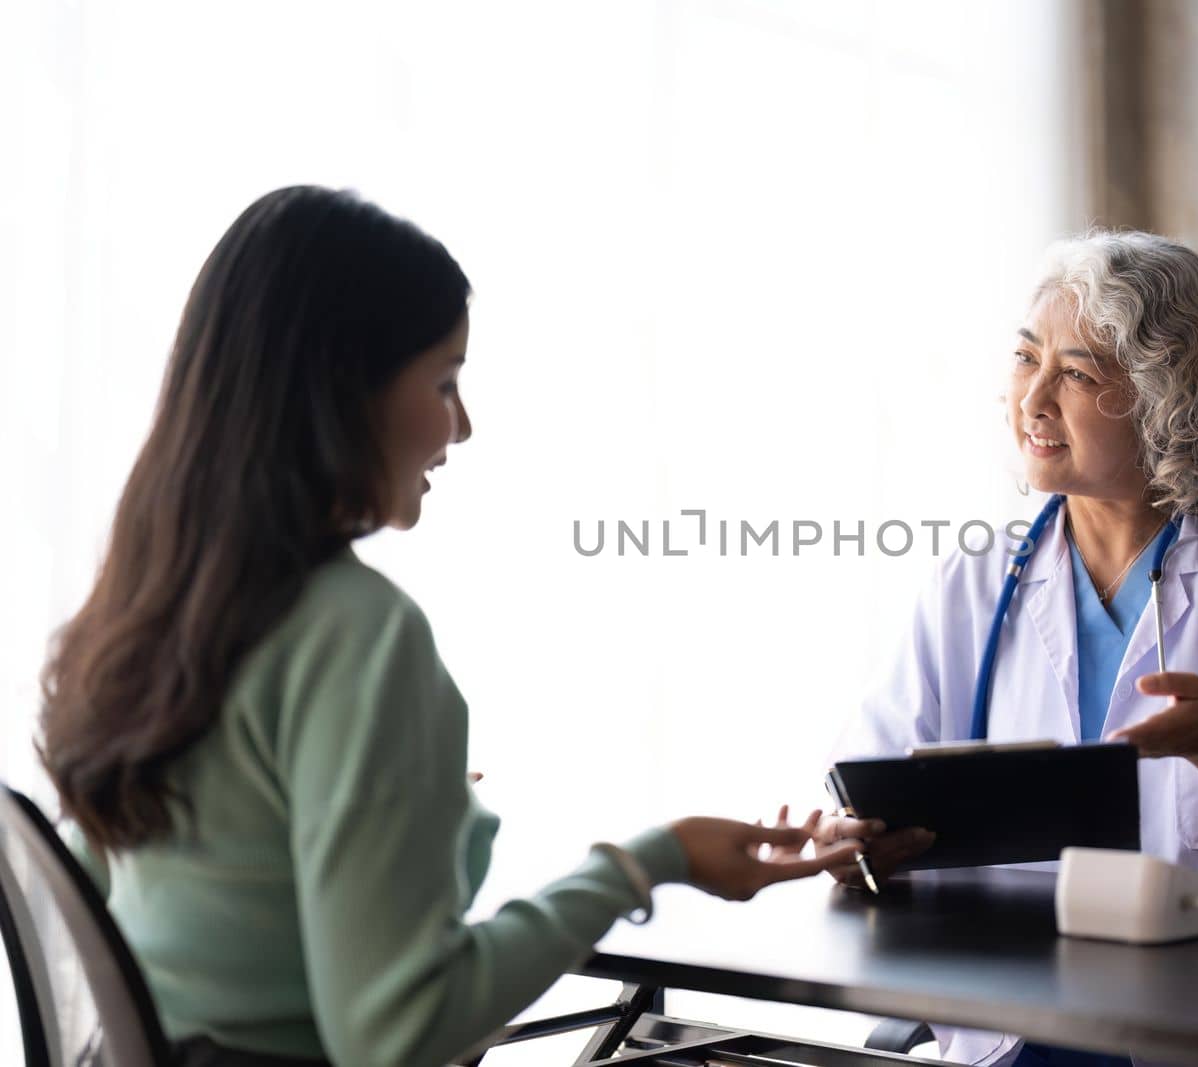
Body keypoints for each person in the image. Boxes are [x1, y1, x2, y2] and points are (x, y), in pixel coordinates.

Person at [37, 186, 853, 1067]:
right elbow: (399, 1035)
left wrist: (403, 799)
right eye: (444, 382)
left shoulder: (152, 608)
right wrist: (644, 863)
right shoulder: (357, 634)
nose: (461, 426)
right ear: (340, 392)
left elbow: (139, 894)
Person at [804, 230, 1198, 1067]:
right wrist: (848, 840)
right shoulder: (973, 585)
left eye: (1077, 373)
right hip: (1013, 1027)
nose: (1033, 400)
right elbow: (865, 792)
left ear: (1170, 396)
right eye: (1027, 360)